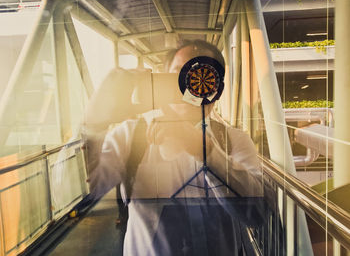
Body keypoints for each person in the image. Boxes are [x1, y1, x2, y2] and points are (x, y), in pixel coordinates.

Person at [85, 39, 264, 255]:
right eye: (179, 75)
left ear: (217, 89)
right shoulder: (130, 136)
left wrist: (206, 151)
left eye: (201, 77)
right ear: (162, 79)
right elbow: (78, 193)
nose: (188, 87)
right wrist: (94, 123)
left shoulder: (233, 140)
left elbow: (257, 213)